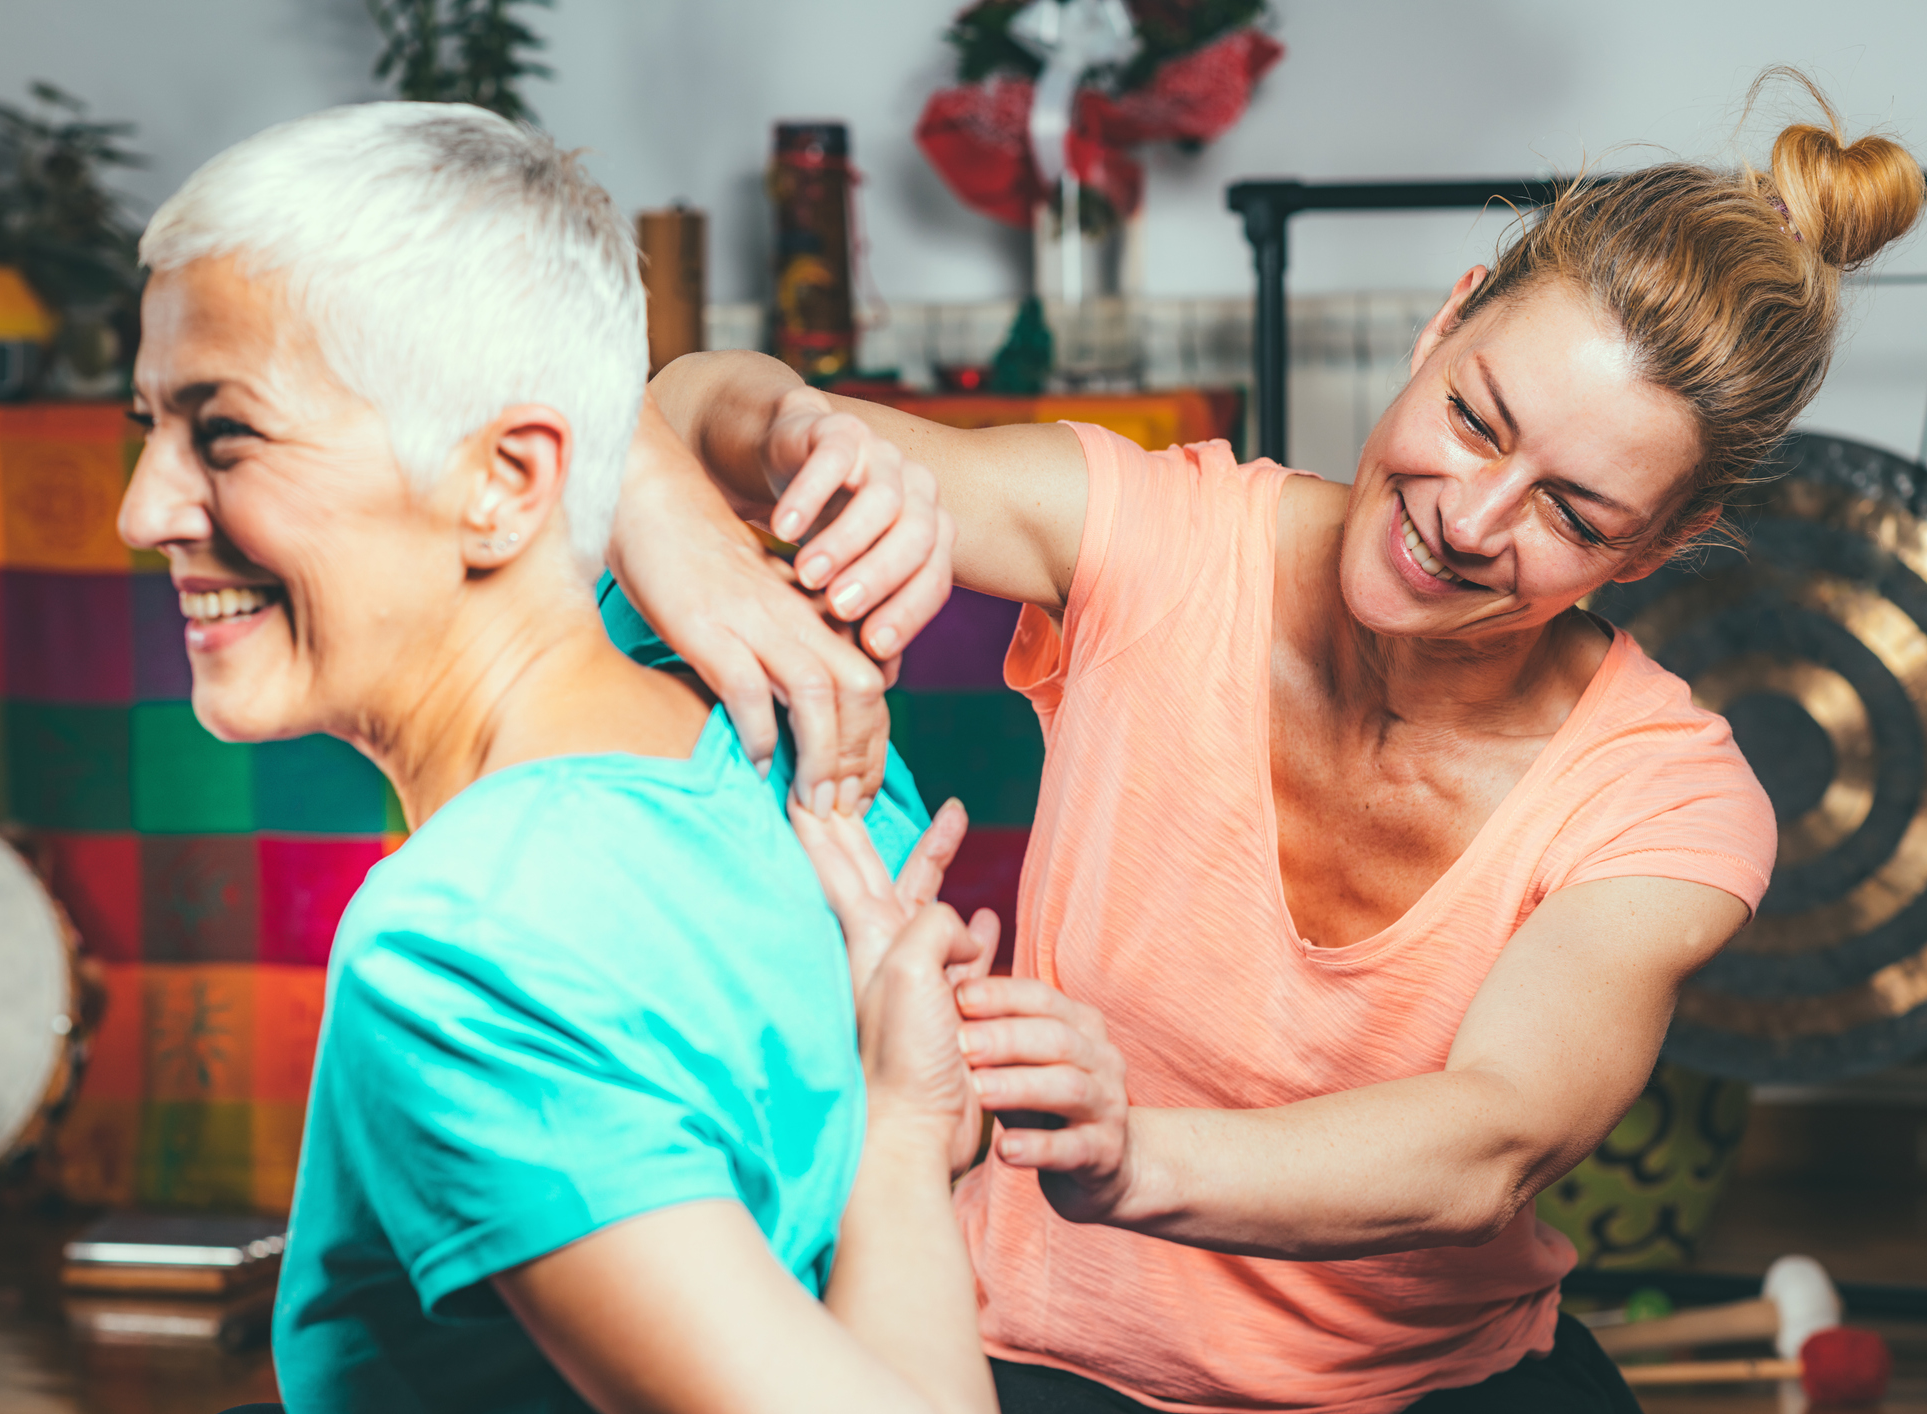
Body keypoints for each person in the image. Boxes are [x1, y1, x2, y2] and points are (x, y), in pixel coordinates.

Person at [634, 77, 1924, 1412]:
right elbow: (690, 397)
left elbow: (1489, 1139)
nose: (1469, 519)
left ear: (1659, 543)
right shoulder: (1152, 536)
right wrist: (791, 439)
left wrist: (1132, 1155)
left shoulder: (1663, 791)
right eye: (1473, 418)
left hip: (1436, 1388)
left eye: (1573, 514)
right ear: (1444, 320)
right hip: (1036, 1359)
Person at [117, 102, 1002, 1414]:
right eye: (147, 422)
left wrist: (903, 1136)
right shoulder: (803, 731)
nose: (141, 508)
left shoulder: (457, 952)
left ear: (506, 480)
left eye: (225, 432)